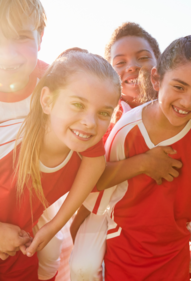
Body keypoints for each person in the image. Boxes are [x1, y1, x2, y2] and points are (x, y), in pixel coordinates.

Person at [69, 25, 191, 281]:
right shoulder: (112, 117)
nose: (132, 66)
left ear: (155, 63)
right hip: (113, 203)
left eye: (141, 57)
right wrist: (144, 162)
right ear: (157, 78)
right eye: (120, 62)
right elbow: (96, 183)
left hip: (174, 204)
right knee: (83, 267)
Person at [0, 48, 120, 280]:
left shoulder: (85, 156)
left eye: (104, 113)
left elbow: (96, 165)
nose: (89, 122)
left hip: (16, 253)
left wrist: (53, 226)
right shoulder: (8, 143)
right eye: (77, 104)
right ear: (47, 101)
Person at [0, 2, 85, 280]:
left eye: (21, 37)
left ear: (41, 36)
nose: (7, 52)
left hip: (31, 224)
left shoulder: (60, 87)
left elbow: (93, 158)